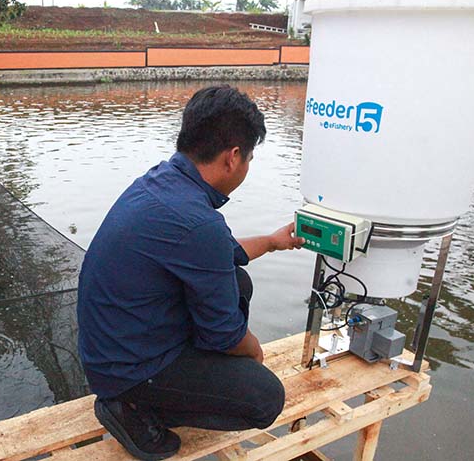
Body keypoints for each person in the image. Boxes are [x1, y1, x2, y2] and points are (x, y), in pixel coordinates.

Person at [77, 86, 305, 460]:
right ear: (232, 158)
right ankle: (134, 408)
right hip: (126, 370)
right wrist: (255, 352)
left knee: (237, 281)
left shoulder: (165, 183)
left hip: (115, 344)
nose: (246, 166)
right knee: (265, 398)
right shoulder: (197, 222)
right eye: (249, 157)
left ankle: (162, 387)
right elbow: (226, 336)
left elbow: (224, 255)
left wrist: (273, 241)